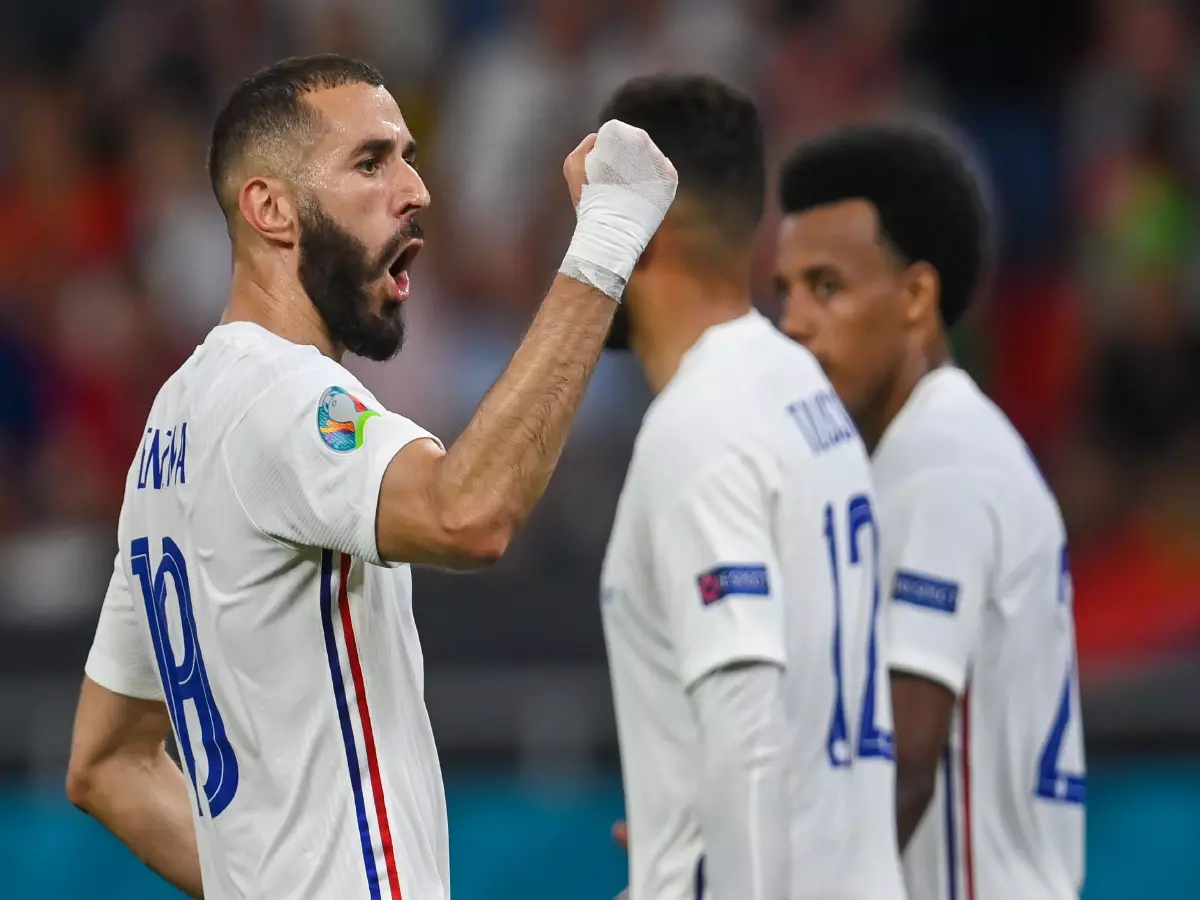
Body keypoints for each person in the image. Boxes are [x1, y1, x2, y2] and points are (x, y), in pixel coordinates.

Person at [65, 53, 678, 900]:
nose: (416, 188)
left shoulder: (173, 421)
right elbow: (468, 513)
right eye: (370, 160)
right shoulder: (280, 394)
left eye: (409, 156)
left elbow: (107, 764)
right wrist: (605, 240)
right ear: (270, 208)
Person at [598, 74, 907, 900]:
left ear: (637, 228)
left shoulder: (701, 426)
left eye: (594, 212)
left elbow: (749, 731)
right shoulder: (804, 394)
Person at [774, 122, 1086, 900]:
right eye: (786, 290)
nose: (793, 322)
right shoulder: (925, 449)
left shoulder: (939, 458)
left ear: (916, 296)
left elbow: (906, 766)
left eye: (827, 286)